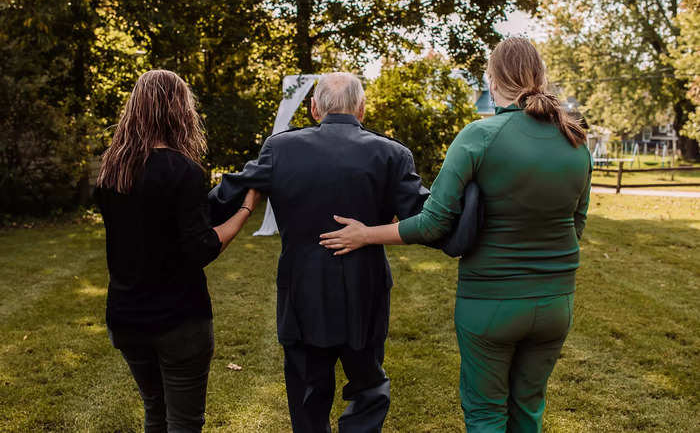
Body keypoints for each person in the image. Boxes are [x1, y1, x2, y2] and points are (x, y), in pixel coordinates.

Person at [320, 38, 592, 433]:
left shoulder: (479, 136)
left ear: (493, 80)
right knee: (528, 410)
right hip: (556, 304)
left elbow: (433, 223)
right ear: (540, 77)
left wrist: (365, 235)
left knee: (486, 414)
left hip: (490, 304)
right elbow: (577, 224)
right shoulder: (576, 140)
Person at [209, 72, 429, 433]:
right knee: (369, 385)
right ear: (361, 108)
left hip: (302, 291)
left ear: (314, 109)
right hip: (366, 289)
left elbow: (225, 194)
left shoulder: (279, 149)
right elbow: (428, 219)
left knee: (307, 392)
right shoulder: (392, 154)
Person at [94, 69, 261, 433]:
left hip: (125, 317)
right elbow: (201, 247)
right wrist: (246, 209)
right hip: (178, 321)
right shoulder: (182, 169)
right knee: (184, 423)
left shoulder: (111, 171)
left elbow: (155, 226)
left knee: (155, 412)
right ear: (178, 110)